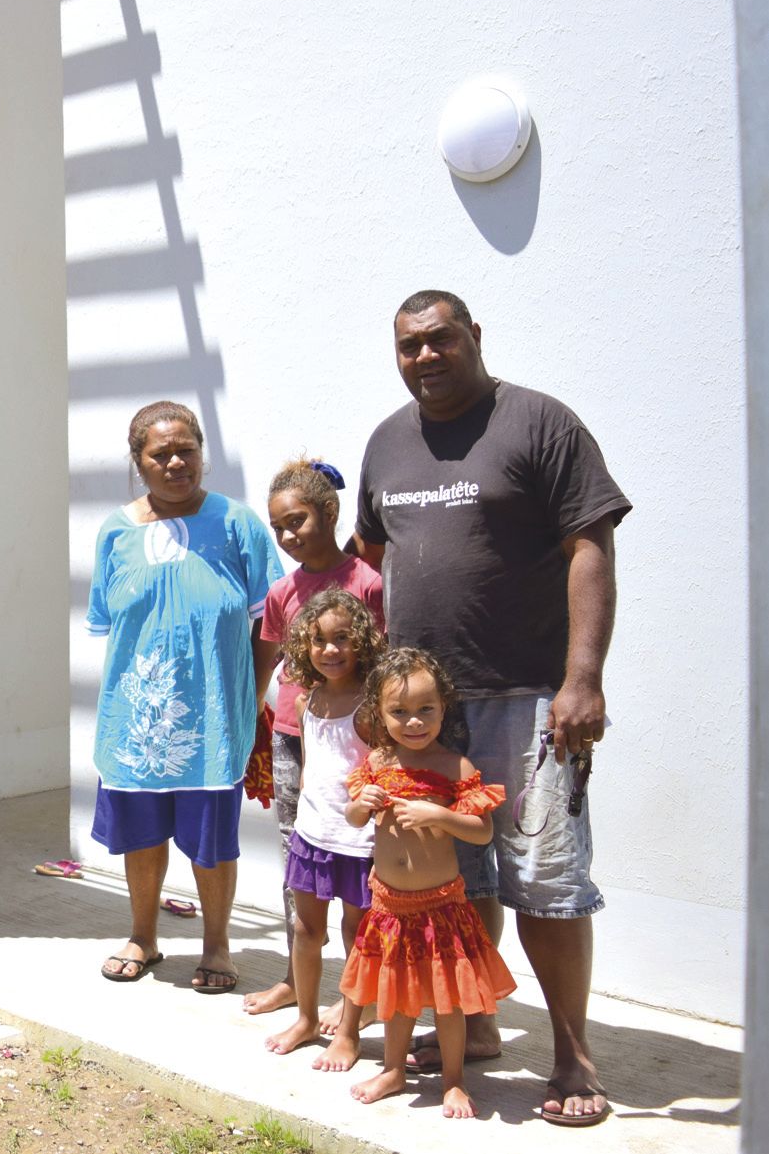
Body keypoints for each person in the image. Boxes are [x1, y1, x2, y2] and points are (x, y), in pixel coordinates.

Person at [353, 290, 629, 1127]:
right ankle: (471, 1022)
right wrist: (368, 694)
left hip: (528, 696)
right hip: (425, 711)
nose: (425, 357)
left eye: (440, 339)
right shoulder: (386, 441)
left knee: (544, 879)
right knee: (452, 877)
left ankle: (571, 1053)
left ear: (474, 336)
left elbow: (592, 543)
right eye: (408, 346)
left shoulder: (540, 423)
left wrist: (582, 678)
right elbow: (372, 562)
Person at [87, 401, 282, 993]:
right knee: (142, 835)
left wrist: (252, 693)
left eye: (186, 451)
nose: (176, 462)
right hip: (136, 717)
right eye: (160, 453)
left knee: (211, 839)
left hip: (216, 714)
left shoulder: (236, 523)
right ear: (138, 461)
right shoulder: (116, 532)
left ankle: (217, 945)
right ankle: (144, 936)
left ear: (201, 452)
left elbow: (270, 622)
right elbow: (112, 623)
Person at [340, 648, 516, 1120]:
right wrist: (363, 803)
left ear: (443, 708)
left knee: (447, 1000)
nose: (413, 722)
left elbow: (482, 831)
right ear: (380, 712)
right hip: (390, 907)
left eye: (425, 710)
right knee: (396, 998)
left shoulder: (453, 766)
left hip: (440, 906)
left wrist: (439, 814)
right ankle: (393, 1069)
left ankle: (454, 1082)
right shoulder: (377, 762)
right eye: (399, 712)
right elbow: (353, 816)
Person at [241, 459, 385, 1020]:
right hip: (293, 740)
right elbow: (269, 656)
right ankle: (295, 980)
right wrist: (256, 710)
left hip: (355, 744)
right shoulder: (282, 591)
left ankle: (360, 993)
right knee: (297, 859)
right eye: (278, 527)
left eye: (296, 521)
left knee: (358, 865)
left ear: (330, 514)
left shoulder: (367, 584)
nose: (286, 535)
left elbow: (382, 663)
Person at [264, 588, 382, 1070]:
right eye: (318, 640)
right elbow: (313, 768)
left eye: (341, 638)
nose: (330, 650)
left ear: (362, 642)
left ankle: (351, 1029)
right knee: (306, 929)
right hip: (313, 838)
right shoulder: (309, 699)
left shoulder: (371, 704)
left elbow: (377, 772)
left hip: (359, 842)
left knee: (358, 936)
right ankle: (307, 1017)